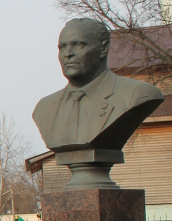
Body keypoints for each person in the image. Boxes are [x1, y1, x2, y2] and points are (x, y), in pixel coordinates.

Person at [33, 18, 164, 152]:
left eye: (78, 45)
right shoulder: (45, 108)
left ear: (104, 48)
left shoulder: (137, 94)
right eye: (62, 47)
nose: (68, 54)